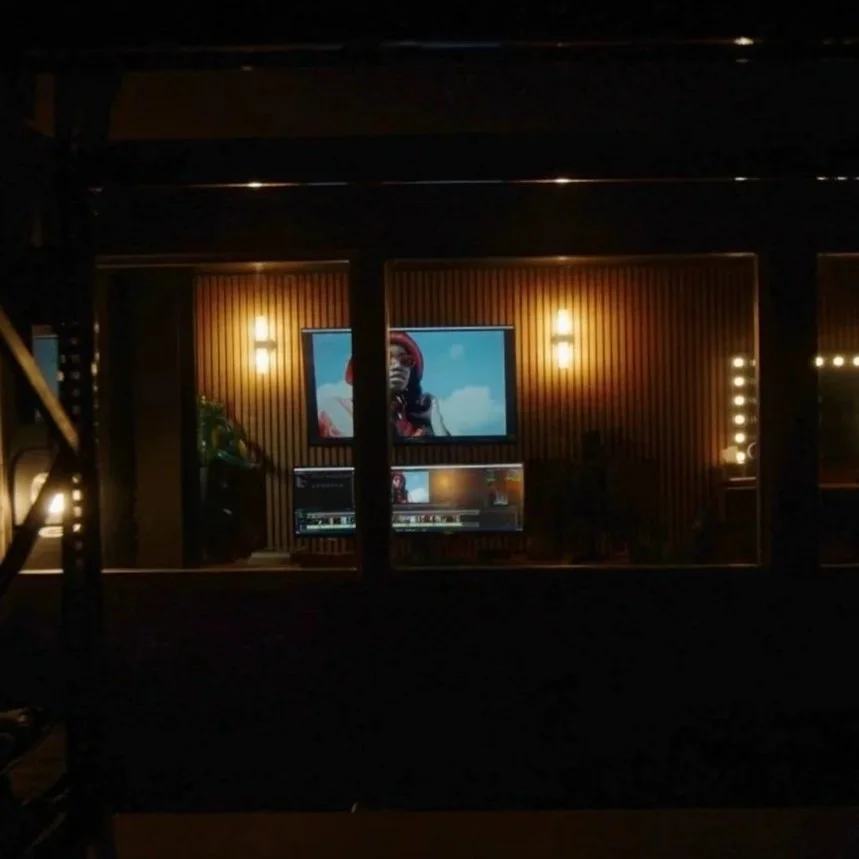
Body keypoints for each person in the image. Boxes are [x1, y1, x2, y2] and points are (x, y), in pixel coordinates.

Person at [318, 331, 451, 439]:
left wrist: (435, 419)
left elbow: (447, 464)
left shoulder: (414, 429)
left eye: (405, 360)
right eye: (387, 358)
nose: (399, 366)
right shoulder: (333, 410)